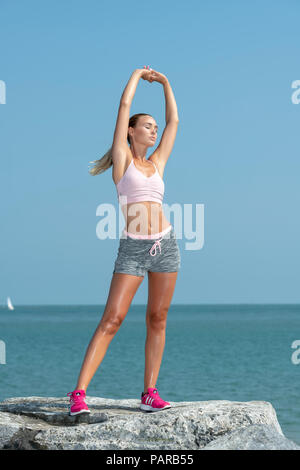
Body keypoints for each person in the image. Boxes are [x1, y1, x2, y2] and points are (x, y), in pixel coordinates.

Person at [67, 66, 181, 415]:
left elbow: (174, 121)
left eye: (154, 127)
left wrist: (165, 83)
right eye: (147, 126)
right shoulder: (122, 160)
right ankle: (78, 395)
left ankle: (149, 392)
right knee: (112, 318)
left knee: (157, 318)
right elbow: (123, 104)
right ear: (131, 133)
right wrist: (136, 74)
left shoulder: (158, 162)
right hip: (132, 248)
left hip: (165, 246)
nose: (154, 130)